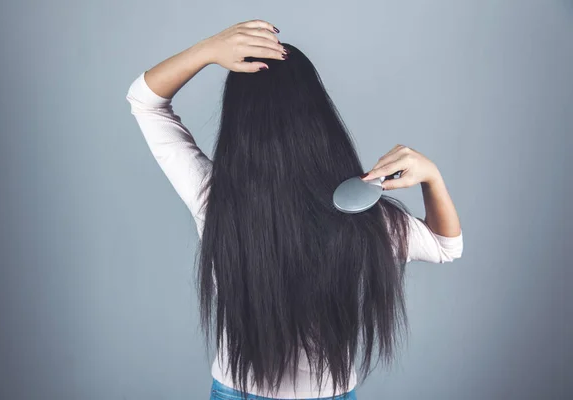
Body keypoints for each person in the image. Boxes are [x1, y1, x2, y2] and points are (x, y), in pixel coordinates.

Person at [126, 19, 463, 400]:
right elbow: (445, 246)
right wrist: (432, 177)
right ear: (319, 117)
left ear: (240, 121)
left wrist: (207, 50)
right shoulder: (360, 214)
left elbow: (145, 101)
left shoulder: (215, 198)